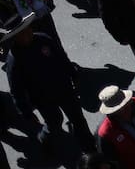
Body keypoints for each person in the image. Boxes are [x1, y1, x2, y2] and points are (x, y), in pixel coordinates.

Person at [2, 12, 94, 155]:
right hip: (43, 99)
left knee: (77, 118)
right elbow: (16, 90)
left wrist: (73, 73)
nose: (26, 34)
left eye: (27, 29)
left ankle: (90, 148)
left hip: (64, 88)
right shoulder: (14, 61)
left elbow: (62, 57)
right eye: (21, 33)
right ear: (14, 38)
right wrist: (26, 112)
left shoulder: (43, 39)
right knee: (54, 122)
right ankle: (45, 140)